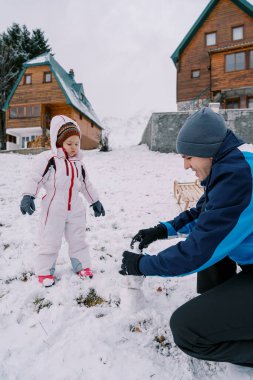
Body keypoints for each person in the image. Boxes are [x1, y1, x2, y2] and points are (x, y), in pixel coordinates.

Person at [119, 107, 253, 368]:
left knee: (187, 330)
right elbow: (204, 214)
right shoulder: (234, 165)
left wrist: (142, 265)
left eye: (189, 157)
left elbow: (198, 252)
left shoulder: (238, 180)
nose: (185, 165)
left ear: (208, 150)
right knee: (215, 249)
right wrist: (162, 230)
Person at [20, 115, 105, 287]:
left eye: (76, 143)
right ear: (59, 142)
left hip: (75, 207)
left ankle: (82, 265)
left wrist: (95, 201)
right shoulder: (49, 159)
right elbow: (35, 177)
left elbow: (85, 184)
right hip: (54, 207)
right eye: (69, 143)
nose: (74, 147)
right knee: (50, 239)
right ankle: (44, 271)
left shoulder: (78, 164)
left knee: (78, 238)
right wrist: (28, 195)